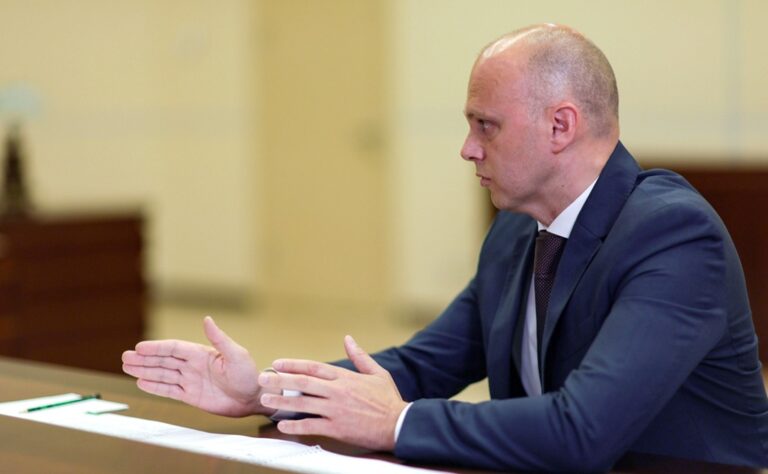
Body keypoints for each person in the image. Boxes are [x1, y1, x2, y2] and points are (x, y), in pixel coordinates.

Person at [122, 24, 768, 471]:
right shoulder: (516, 230)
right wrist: (264, 393)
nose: (467, 149)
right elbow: (423, 364)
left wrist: (395, 423)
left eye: (486, 126)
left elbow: (582, 431)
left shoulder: (673, 236)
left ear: (560, 126)